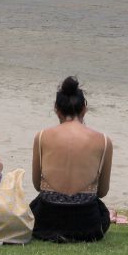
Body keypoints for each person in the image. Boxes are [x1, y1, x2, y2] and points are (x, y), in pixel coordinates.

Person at [30, 76, 113, 243]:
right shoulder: (104, 140)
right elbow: (102, 192)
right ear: (84, 109)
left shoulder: (41, 137)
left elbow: (38, 186)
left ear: (56, 109)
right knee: (101, 210)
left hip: (45, 222)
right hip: (88, 226)